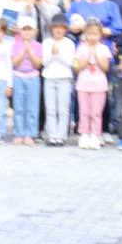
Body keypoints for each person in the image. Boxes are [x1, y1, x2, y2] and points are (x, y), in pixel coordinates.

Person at [73, 18, 111, 149]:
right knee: (84, 111)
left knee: (96, 112)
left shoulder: (104, 49)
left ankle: (95, 135)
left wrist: (96, 55)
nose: (92, 37)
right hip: (83, 84)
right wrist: (88, 56)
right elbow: (77, 68)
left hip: (99, 85)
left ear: (100, 35)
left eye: (95, 34)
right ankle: (84, 134)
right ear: (85, 35)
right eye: (89, 34)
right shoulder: (81, 48)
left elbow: (105, 68)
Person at [42, 13, 76, 145]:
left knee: (63, 109)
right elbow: (44, 62)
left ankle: (61, 135)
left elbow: (70, 63)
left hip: (64, 77)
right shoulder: (46, 42)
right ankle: (52, 134)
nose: (58, 30)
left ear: (65, 29)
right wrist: (52, 55)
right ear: (51, 28)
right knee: (50, 108)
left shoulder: (69, 43)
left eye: (61, 27)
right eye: (55, 27)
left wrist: (58, 54)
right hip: (49, 77)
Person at [10, 16, 42, 144]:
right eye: (24, 29)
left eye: (30, 30)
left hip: (33, 77)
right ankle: (19, 132)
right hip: (19, 77)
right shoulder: (15, 45)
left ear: (35, 31)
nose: (27, 32)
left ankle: (30, 133)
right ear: (19, 31)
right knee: (19, 106)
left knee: (32, 107)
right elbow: (14, 63)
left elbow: (38, 64)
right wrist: (24, 52)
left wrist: (31, 52)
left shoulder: (38, 46)